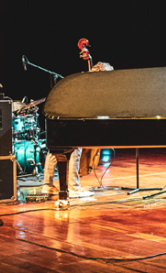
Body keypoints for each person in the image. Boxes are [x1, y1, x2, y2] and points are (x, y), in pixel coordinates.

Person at [40, 61, 115, 198]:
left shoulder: (79, 80)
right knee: (76, 147)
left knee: (55, 149)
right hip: (70, 117)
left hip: (57, 115)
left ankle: (47, 185)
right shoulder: (92, 87)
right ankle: (73, 187)